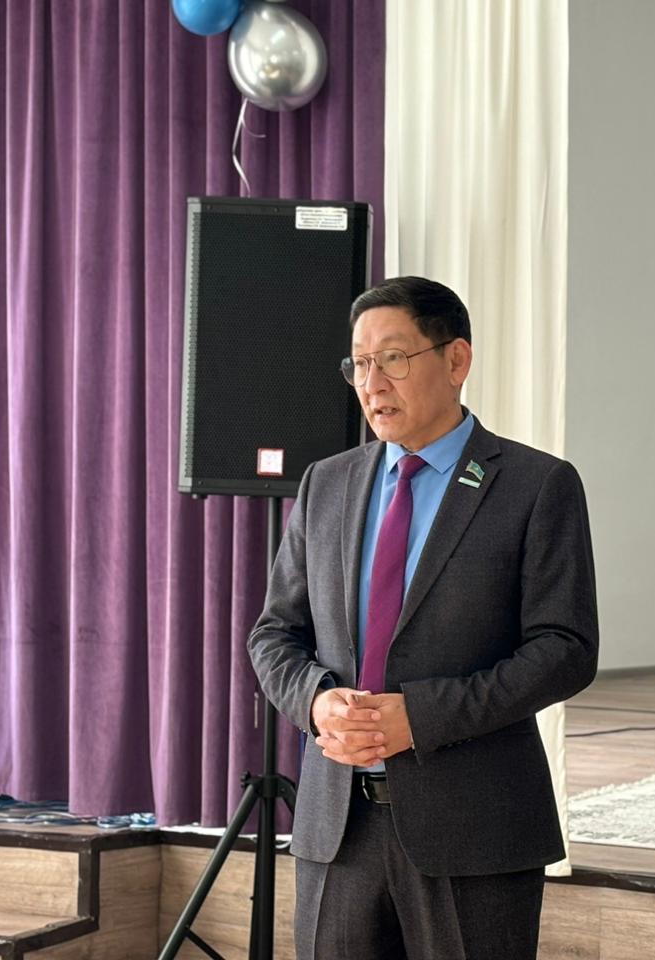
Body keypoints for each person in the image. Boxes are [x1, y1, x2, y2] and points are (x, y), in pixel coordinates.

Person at [248, 275, 600, 960]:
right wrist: (318, 702)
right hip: (338, 829)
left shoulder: (537, 485)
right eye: (359, 363)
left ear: (456, 360)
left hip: (474, 829)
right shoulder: (327, 483)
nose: (372, 383)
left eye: (393, 358)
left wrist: (422, 717)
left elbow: (565, 649)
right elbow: (275, 634)